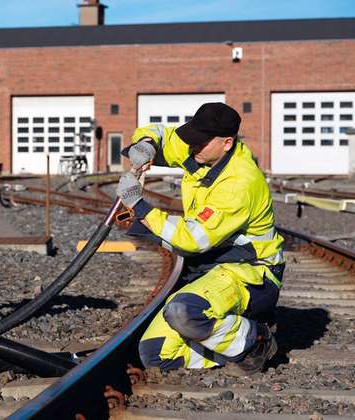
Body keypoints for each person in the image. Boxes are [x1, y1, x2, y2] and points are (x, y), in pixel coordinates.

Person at [116, 102, 284, 375]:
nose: (192, 148)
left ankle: (256, 341)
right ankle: (229, 352)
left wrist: (139, 206)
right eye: (192, 140)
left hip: (251, 274)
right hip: (213, 268)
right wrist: (146, 144)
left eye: (200, 143)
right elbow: (163, 134)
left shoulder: (239, 183)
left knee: (184, 312)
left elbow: (192, 239)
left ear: (227, 143)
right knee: (155, 354)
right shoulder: (205, 150)